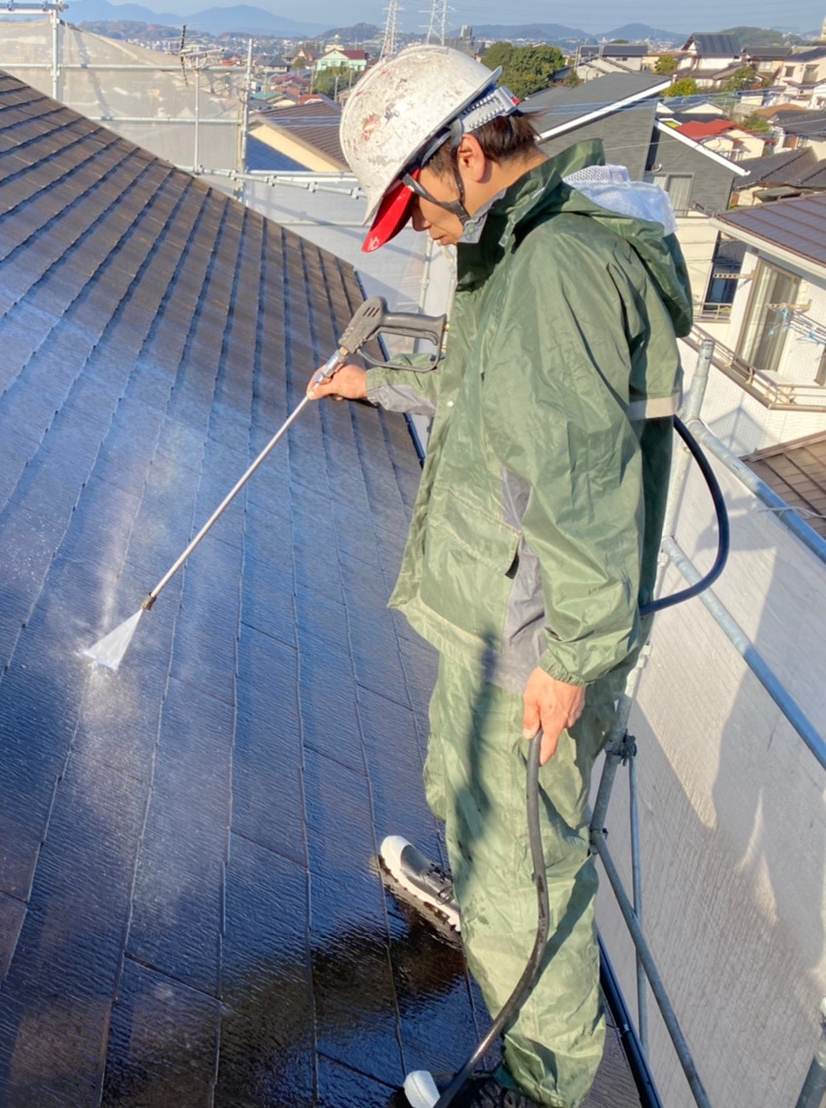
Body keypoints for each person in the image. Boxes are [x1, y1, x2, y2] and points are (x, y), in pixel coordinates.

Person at [313, 44, 692, 1108]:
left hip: (534, 636)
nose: (418, 229)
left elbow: (579, 479)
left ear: (467, 152)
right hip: (494, 605)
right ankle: (470, 897)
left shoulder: (554, 268)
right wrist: (372, 381)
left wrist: (571, 659)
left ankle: (545, 1082)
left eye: (413, 204)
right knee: (458, 788)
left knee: (530, 873)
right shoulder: (511, 253)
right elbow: (481, 388)